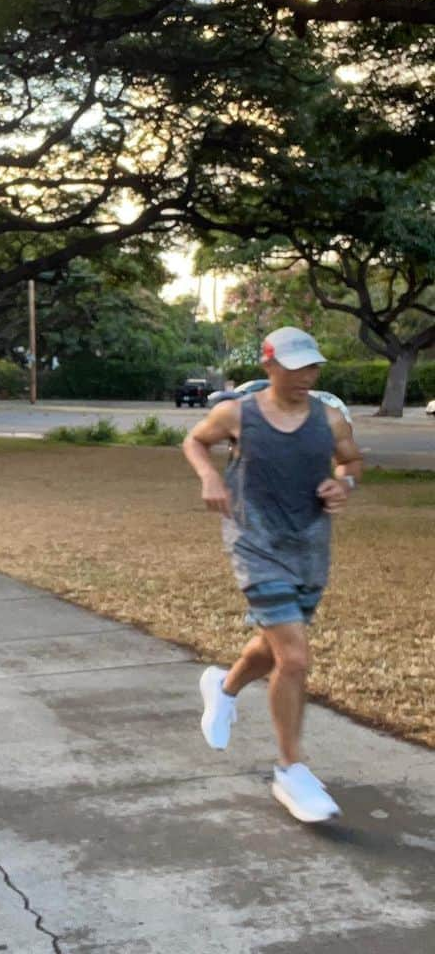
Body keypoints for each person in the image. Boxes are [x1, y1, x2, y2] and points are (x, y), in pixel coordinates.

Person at [182, 327, 362, 823]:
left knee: (273, 647)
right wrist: (210, 475)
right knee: (296, 658)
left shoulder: (329, 418)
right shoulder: (238, 413)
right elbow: (196, 442)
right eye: (295, 365)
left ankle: (224, 686)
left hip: (309, 547)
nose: (307, 375)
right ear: (269, 365)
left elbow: (352, 462)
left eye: (312, 366)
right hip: (254, 544)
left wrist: (342, 483)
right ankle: (291, 769)